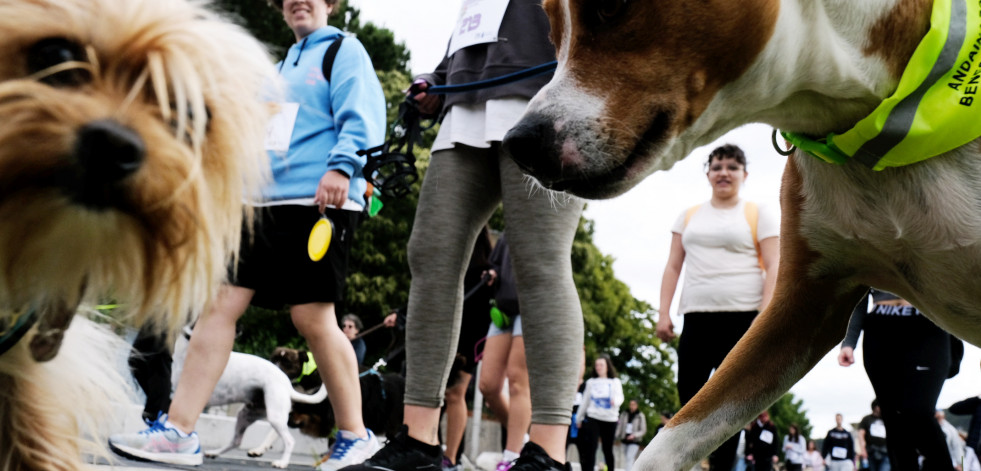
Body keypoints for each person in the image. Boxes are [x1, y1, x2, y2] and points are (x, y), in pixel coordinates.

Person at [108, 0, 386, 468]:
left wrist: (343, 167)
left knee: (312, 317)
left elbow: (362, 114)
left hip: (319, 201)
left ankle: (356, 436)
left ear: (329, 4)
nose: (299, 1)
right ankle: (179, 431)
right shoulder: (276, 70)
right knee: (218, 306)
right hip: (258, 206)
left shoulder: (344, 50)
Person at [341, 1, 585, 471]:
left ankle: (549, 452)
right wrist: (438, 78)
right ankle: (418, 440)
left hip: (550, 96)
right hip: (466, 105)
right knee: (431, 255)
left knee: (540, 263)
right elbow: (480, 28)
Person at [656, 144, 780, 471]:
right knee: (690, 404)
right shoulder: (688, 216)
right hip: (696, 318)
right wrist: (663, 313)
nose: (724, 172)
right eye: (717, 166)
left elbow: (775, 264)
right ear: (708, 173)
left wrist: (764, 317)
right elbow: (672, 267)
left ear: (744, 174)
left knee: (729, 410)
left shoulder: (758, 213)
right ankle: (691, 464)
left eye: (732, 167)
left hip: (743, 322)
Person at [839, 289, 961, 471]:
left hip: (927, 323)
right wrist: (848, 343)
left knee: (919, 412)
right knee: (893, 419)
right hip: (881, 330)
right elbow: (858, 298)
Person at [478, 233, 533, 471]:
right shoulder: (507, 233)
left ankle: (511, 456)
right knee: (488, 386)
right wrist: (491, 273)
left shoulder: (543, 222)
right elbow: (495, 264)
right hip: (502, 310)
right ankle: (522, 438)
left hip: (530, 307)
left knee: (517, 381)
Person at [442, 227, 494, 471]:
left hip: (470, 338)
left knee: (455, 393)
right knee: (434, 395)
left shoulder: (489, 264)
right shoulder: (448, 258)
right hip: (443, 331)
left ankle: (450, 458)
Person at [576, 355, 624, 471]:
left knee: (607, 449)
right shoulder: (591, 382)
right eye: (596, 365)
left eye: (601, 365)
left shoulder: (615, 381)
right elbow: (585, 401)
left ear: (607, 366)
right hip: (593, 417)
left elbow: (620, 397)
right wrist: (578, 418)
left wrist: (615, 402)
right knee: (590, 448)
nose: (598, 367)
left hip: (610, 419)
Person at [857, 400, 890, 471]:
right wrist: (863, 450)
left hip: (885, 452)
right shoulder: (867, 419)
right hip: (871, 453)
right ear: (876, 407)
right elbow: (861, 435)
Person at [615, 399, 648, 471]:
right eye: (630, 404)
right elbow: (619, 427)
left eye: (633, 404)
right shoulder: (624, 414)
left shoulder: (640, 415)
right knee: (628, 458)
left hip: (634, 441)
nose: (631, 406)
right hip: (624, 439)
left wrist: (634, 435)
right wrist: (615, 435)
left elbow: (643, 430)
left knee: (629, 457)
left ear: (636, 405)